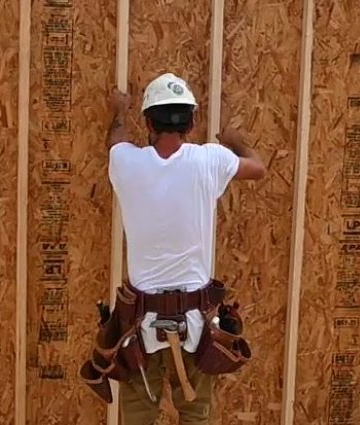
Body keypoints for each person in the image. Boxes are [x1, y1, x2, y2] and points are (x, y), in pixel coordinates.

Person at [91, 73, 266, 425]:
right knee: (196, 417)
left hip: (142, 328)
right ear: (193, 121)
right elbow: (258, 168)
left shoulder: (126, 163)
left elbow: (116, 140)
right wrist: (235, 141)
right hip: (196, 327)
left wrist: (119, 111)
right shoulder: (211, 160)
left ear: (148, 122)